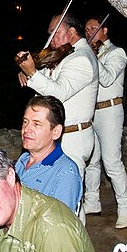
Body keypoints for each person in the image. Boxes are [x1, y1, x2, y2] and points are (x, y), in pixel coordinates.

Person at [16, 12, 98, 218]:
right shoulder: (64, 55)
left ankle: (71, 239)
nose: (50, 38)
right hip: (60, 135)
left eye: (55, 32)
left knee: (68, 208)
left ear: (72, 32)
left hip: (73, 137)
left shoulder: (82, 58)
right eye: (49, 33)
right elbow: (46, 85)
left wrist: (33, 73)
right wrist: (28, 73)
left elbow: (57, 94)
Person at [83, 15, 127, 229]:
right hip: (90, 112)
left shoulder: (117, 53)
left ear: (105, 30)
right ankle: (92, 202)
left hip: (110, 111)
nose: (89, 32)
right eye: (86, 29)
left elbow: (107, 78)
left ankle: (125, 207)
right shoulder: (87, 53)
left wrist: (91, 56)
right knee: (91, 162)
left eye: (93, 28)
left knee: (112, 162)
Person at [15, 95, 81, 213]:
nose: (26, 129)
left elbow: (60, 221)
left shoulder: (65, 173)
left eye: (36, 124)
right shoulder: (22, 160)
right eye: (25, 122)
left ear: (55, 132)